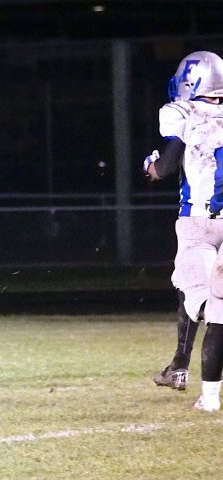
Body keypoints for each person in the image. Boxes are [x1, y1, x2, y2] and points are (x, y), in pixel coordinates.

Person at [145, 50, 223, 410]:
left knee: (203, 301)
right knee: (198, 294)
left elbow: (166, 166)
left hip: (198, 222)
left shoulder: (186, 112)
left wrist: (151, 165)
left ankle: (181, 368)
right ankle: (179, 364)